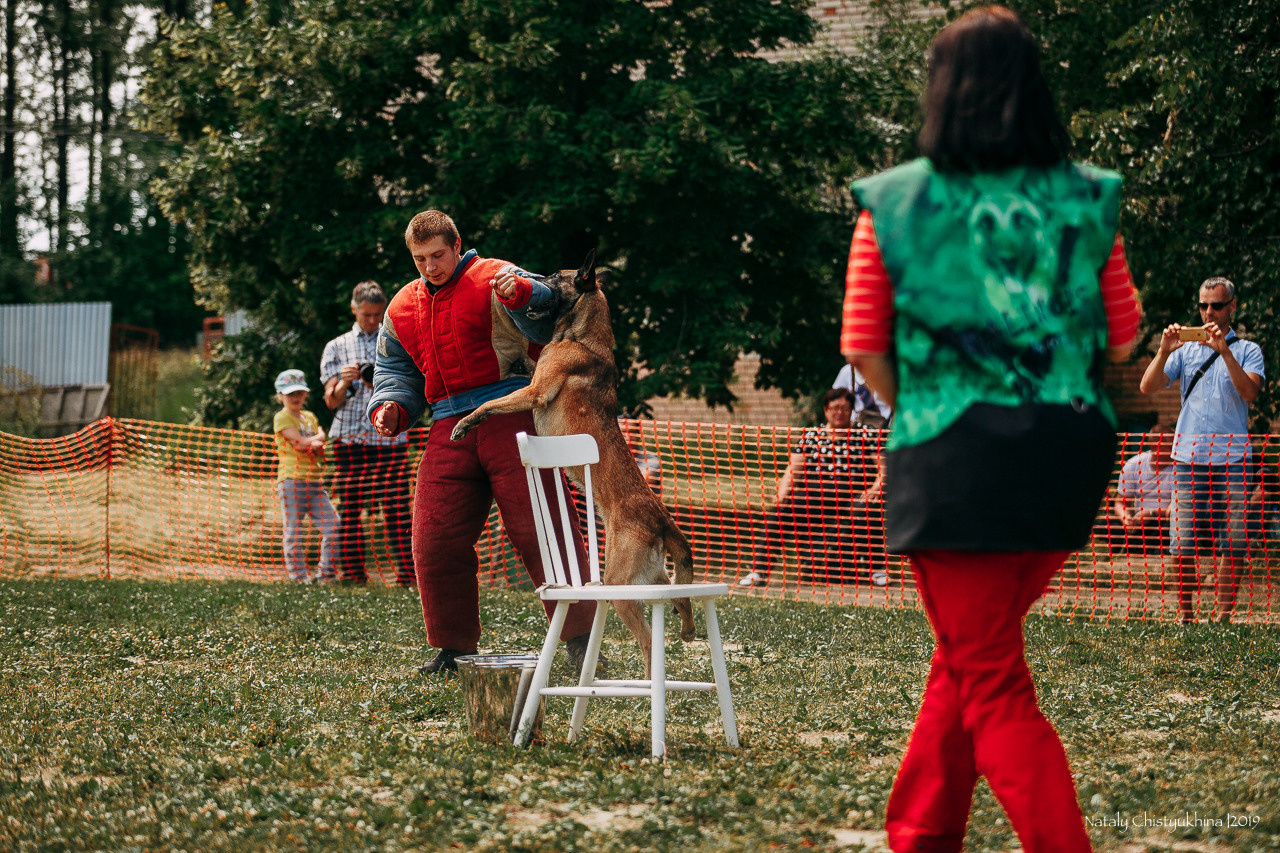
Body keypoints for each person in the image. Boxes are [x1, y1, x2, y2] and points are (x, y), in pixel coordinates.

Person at [842, 7, 1142, 851]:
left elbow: (863, 346)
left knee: (992, 679)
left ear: (942, 89)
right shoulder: (1088, 196)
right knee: (969, 657)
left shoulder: (898, 200)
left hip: (955, 461)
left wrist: (932, 410)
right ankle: (919, 833)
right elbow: (1122, 334)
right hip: (1067, 457)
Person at [366, 209, 598, 676]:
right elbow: (394, 372)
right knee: (434, 539)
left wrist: (524, 294)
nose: (429, 267)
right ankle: (452, 650)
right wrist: (389, 407)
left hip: (512, 413)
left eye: (437, 255)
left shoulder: (496, 275)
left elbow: (551, 307)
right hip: (447, 425)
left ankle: (581, 643)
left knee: (544, 531)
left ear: (457, 245)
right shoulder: (400, 307)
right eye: (419, 259)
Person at [1139, 276, 1265, 623]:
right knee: (1182, 541)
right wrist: (1164, 348)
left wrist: (1223, 350)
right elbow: (1147, 386)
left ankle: (1223, 616)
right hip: (1187, 458)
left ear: (1232, 307)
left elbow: (1250, 393)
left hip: (1233, 458)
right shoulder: (1186, 351)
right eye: (1203, 305)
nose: (1209, 311)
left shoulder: (1248, 350)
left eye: (1217, 305)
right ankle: (1186, 615)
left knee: (1235, 540)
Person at [738, 388, 887, 589]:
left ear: (852, 409)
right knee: (780, 512)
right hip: (814, 493)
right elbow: (793, 469)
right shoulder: (812, 436)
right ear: (826, 410)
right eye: (835, 408)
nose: (839, 413)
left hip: (853, 492)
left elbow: (883, 468)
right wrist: (782, 493)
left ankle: (877, 570)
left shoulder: (865, 434)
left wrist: (876, 487)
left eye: (844, 408)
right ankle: (759, 571)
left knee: (867, 510)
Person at [320, 281, 415, 587]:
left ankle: (407, 575)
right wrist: (345, 382)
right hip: (350, 438)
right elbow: (330, 401)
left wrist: (377, 380)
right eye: (366, 315)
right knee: (349, 507)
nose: (373, 321)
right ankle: (353, 574)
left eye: (377, 314)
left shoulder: (396, 342)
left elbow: (410, 389)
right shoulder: (336, 346)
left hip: (389, 437)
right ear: (354, 310)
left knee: (398, 508)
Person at [272, 369, 339, 584]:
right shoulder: (281, 417)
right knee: (293, 530)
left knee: (334, 526)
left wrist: (315, 441)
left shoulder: (309, 417)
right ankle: (299, 578)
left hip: (314, 481)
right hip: (291, 481)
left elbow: (317, 441)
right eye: (290, 393)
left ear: (305, 394)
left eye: (299, 392)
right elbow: (300, 443)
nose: (295, 397)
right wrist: (316, 439)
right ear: (280, 395)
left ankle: (326, 575)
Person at [1111, 424, 1174, 555]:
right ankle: (1146, 547)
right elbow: (1120, 502)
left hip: (1165, 521)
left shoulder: (1180, 468)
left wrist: (1151, 513)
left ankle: (1138, 548)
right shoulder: (1133, 465)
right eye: (1170, 445)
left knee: (1173, 527)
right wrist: (1126, 518)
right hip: (1139, 522)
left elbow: (1177, 507)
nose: (1175, 449)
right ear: (1154, 447)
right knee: (1103, 523)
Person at [833, 363, 893, 428]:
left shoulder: (891, 370)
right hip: (856, 426)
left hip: (888, 424)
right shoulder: (848, 371)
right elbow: (835, 399)